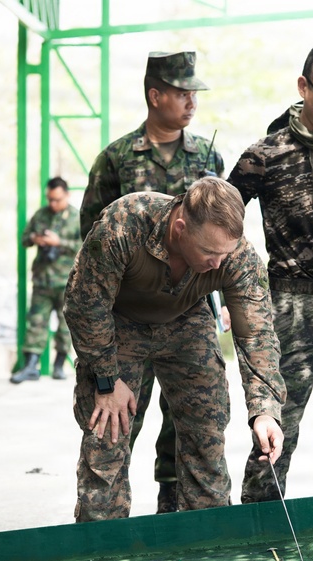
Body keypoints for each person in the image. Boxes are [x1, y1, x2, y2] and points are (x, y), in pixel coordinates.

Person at [65, 177, 284, 521]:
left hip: (186, 320)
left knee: (207, 430)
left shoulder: (236, 255)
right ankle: (101, 544)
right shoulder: (124, 224)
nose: (217, 263)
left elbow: (256, 334)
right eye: (209, 252)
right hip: (117, 324)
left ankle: (208, 539)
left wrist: (265, 409)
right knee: (107, 432)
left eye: (224, 253)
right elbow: (84, 305)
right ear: (180, 228)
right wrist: (107, 381)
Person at [80, 50, 224, 513]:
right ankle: (104, 534)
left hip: (189, 310)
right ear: (154, 94)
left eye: (194, 93)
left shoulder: (206, 154)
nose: (190, 102)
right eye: (181, 93)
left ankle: (175, 517)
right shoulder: (117, 158)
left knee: (194, 427)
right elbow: (93, 241)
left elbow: (220, 234)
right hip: (128, 315)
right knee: (114, 423)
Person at [229, 42, 313, 502]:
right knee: (275, 432)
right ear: (304, 86)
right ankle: (258, 531)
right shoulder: (264, 156)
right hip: (289, 305)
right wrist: (233, 295)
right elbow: (220, 226)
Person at [11, 176, 81, 383]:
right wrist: (35, 238)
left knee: (65, 326)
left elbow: (86, 246)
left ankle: (59, 365)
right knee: (36, 322)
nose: (52, 204)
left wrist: (59, 243)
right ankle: (31, 366)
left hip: (67, 282)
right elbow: (24, 239)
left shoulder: (77, 217)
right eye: (49, 199)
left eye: (57, 200)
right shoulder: (41, 215)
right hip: (42, 280)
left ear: (67, 195)